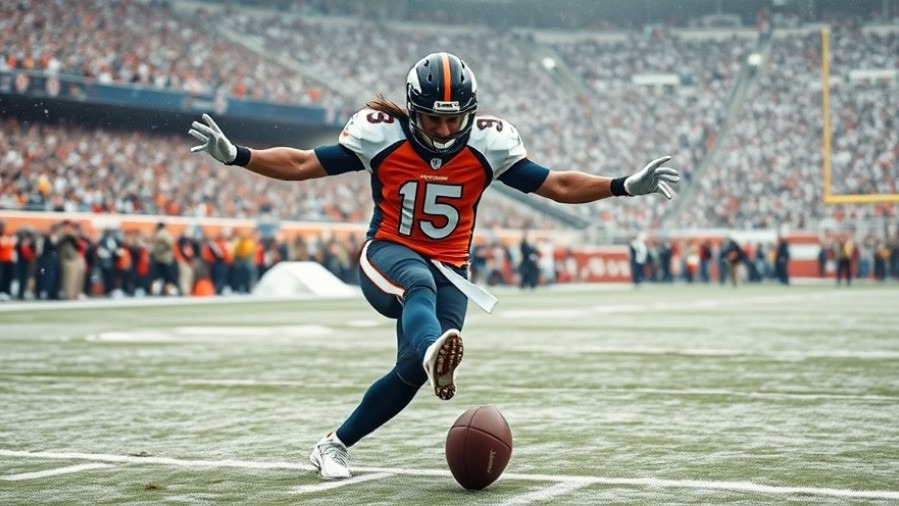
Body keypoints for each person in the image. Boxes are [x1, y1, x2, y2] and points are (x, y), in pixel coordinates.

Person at [188, 51, 679, 480]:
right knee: (417, 288)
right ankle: (431, 351)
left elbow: (557, 185)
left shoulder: (489, 144)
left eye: (453, 119)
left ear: (470, 113)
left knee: (412, 369)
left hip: (453, 269)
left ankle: (333, 444)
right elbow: (301, 164)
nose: (444, 130)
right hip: (388, 254)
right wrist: (238, 155)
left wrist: (622, 185)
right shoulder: (379, 134)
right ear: (411, 109)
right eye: (432, 119)